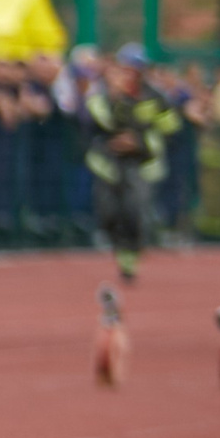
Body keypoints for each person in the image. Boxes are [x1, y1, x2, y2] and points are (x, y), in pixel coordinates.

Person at [84, 44, 183, 284]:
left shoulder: (154, 98)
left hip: (141, 164)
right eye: (126, 68)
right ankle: (117, 245)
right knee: (108, 212)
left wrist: (138, 141)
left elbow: (171, 129)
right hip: (108, 165)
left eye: (135, 69)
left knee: (134, 211)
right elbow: (95, 123)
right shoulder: (102, 95)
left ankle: (129, 259)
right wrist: (114, 99)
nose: (130, 74)